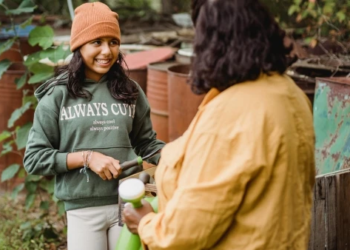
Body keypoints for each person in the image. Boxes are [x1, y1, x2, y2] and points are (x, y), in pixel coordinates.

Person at [123, 0, 316, 249]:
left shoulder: (232, 114)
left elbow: (188, 230)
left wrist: (146, 224)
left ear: (212, 44)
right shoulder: (292, 95)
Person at [23, 2, 165, 250]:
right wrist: (87, 158)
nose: (106, 51)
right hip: (83, 209)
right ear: (79, 46)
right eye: (96, 42)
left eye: (113, 42)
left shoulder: (130, 91)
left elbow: (146, 144)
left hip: (128, 201)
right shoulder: (57, 95)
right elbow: (34, 158)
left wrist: (179, 154)